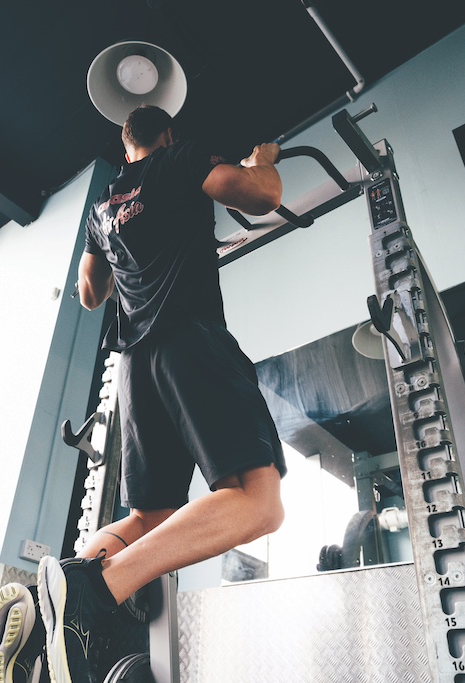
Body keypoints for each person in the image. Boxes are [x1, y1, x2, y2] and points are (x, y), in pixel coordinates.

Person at [34, 105, 289, 683]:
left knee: (151, 516)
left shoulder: (102, 209)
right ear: (167, 136)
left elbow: (90, 293)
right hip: (191, 341)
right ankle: (97, 593)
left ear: (126, 150)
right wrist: (263, 163)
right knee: (259, 502)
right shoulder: (180, 159)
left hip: (135, 363)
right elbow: (258, 197)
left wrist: (113, 248)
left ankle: (54, 602)